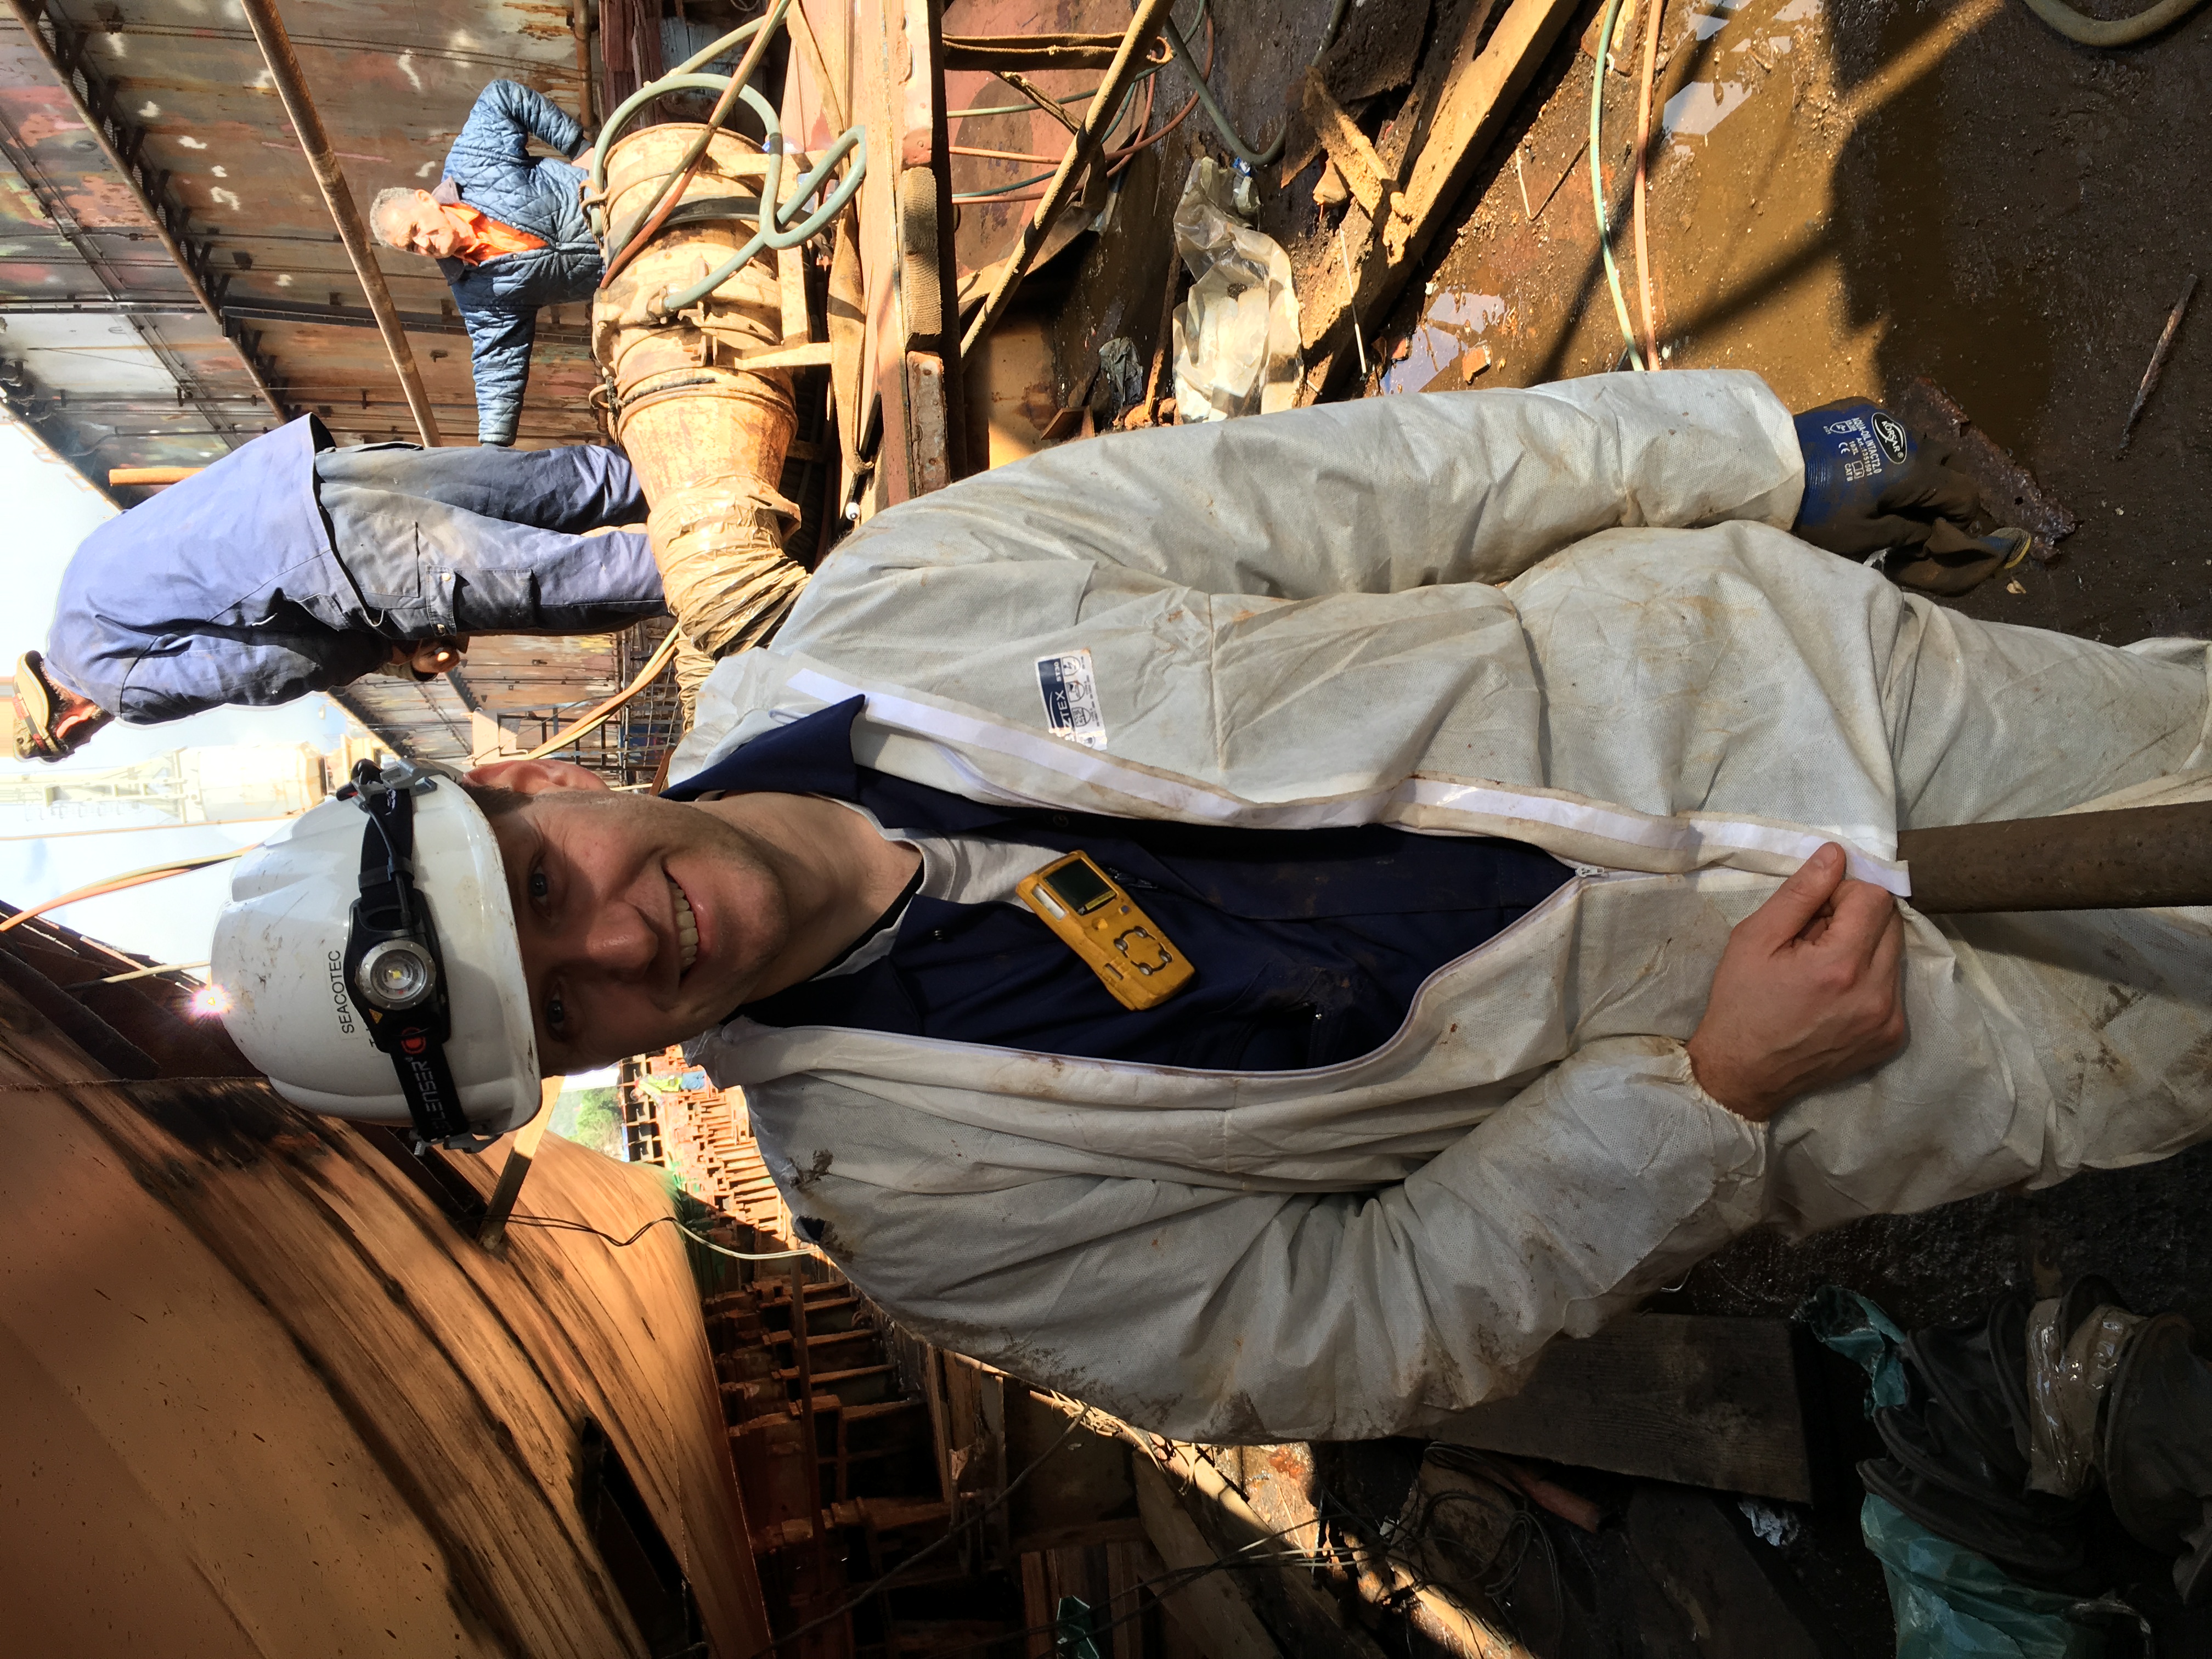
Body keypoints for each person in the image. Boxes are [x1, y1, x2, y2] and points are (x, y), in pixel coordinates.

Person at [211, 369, 2212, 1445]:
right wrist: (1698, 1097)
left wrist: (1742, 451)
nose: (619, 943)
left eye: (542, 890)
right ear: (582, 1066)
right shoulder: (934, 1208)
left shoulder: (898, 613)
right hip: (1840, 1056)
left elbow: (1359, 486)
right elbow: (1347, 1336)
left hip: (1785, 685)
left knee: (2178, 750)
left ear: (526, 783)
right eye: (561, 1008)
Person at [12, 415, 662, 759]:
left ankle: (751, 551)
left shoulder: (113, 687)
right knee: (570, 483)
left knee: (578, 585)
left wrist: (391, 656)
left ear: (65, 722)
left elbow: (271, 668)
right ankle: (742, 455)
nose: (96, 728)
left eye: (83, 734)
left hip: (349, 560)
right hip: (331, 475)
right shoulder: (82, 572)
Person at [367, 80, 600, 448]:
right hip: (632, 271)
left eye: (415, 229)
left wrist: (580, 149)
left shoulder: (473, 163)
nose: (424, 243)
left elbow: (502, 97)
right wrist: (493, 448)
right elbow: (498, 365)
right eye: (411, 247)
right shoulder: (476, 294)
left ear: (425, 199)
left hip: (625, 196)